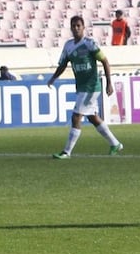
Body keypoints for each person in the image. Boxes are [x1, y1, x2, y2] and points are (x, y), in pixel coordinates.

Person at [48, 16, 123, 159]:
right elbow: (63, 65)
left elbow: (105, 61)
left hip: (91, 87)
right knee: (93, 118)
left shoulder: (90, 44)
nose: (76, 28)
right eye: (73, 26)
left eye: (78, 26)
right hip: (82, 87)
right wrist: (53, 78)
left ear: (83, 27)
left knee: (76, 117)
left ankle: (66, 152)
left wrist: (108, 82)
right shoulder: (68, 46)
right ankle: (115, 144)